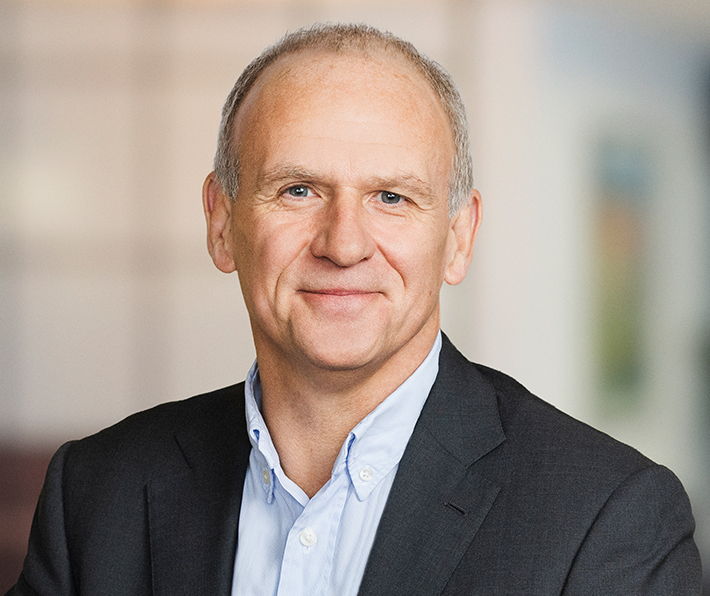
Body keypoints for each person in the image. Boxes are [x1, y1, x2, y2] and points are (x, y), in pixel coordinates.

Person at [7, 23, 701, 596]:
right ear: (221, 222)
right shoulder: (97, 493)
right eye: (299, 190)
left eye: (391, 198)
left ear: (458, 238)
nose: (343, 245)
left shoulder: (607, 521)